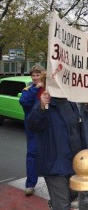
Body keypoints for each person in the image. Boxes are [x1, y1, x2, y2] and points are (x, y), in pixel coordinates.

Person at [27, 92, 84, 210]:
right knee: (63, 203)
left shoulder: (70, 103)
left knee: (71, 196)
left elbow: (77, 130)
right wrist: (41, 106)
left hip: (74, 161)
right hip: (55, 162)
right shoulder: (45, 104)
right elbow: (33, 124)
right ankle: (57, 208)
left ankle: (55, 205)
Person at [19, 65, 45, 196]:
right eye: (33, 75)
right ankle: (30, 184)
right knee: (32, 156)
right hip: (33, 129)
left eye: (38, 75)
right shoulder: (28, 89)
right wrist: (36, 88)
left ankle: (53, 183)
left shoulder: (48, 90)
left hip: (47, 128)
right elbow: (24, 102)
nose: (35, 78)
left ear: (43, 75)